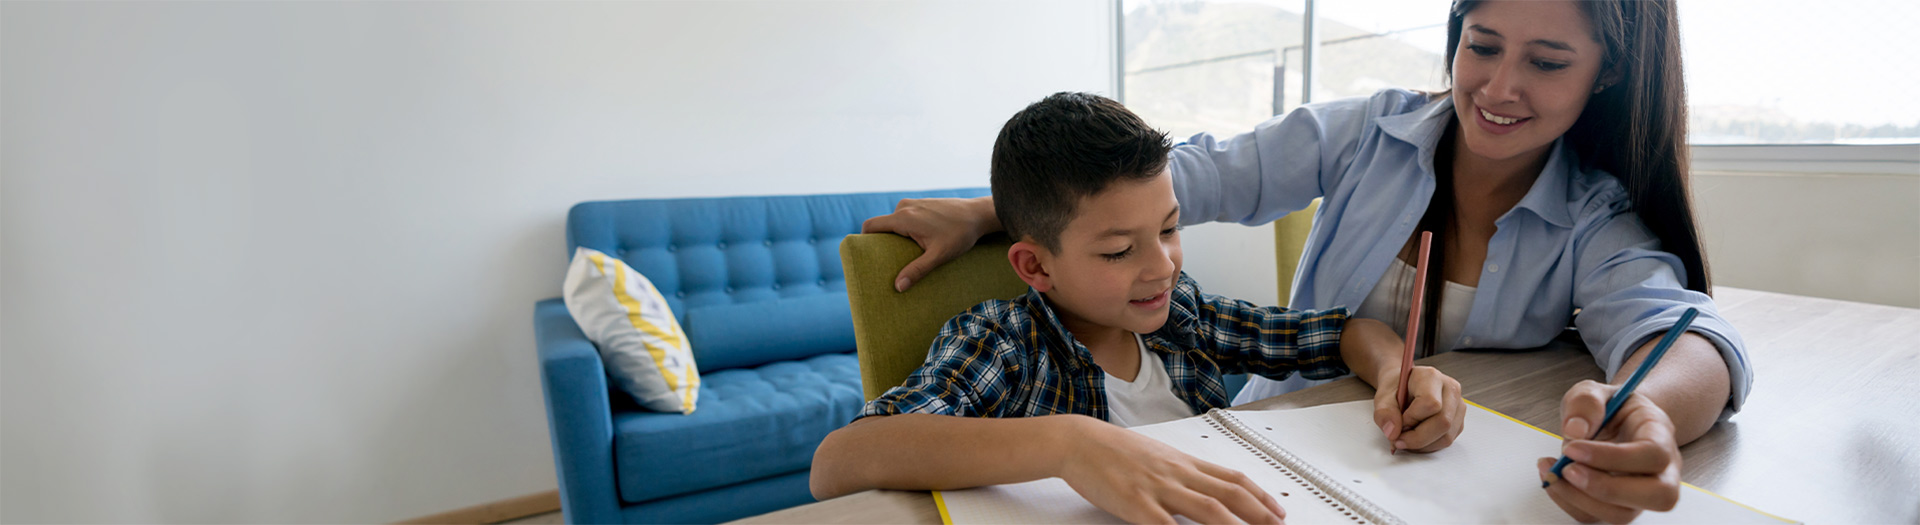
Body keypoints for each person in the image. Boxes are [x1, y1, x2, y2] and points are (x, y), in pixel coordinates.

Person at [860, 1, 1751, 523]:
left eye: (1547, 61)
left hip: (1391, 469)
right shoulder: (1367, 132)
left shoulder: (1594, 212)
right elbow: (1180, 177)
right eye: (1481, 45)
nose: (1500, 87)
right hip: (1272, 447)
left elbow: (1680, 330)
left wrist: (1656, 418)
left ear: (1605, 74)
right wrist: (993, 212)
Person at [811, 92, 1466, 524]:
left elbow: (1337, 334)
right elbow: (841, 459)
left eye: (1171, 229)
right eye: (1121, 250)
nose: (1162, 265)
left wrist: (1392, 370)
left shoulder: (1180, 316)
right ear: (1036, 266)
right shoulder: (1002, 341)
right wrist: (1072, 442)